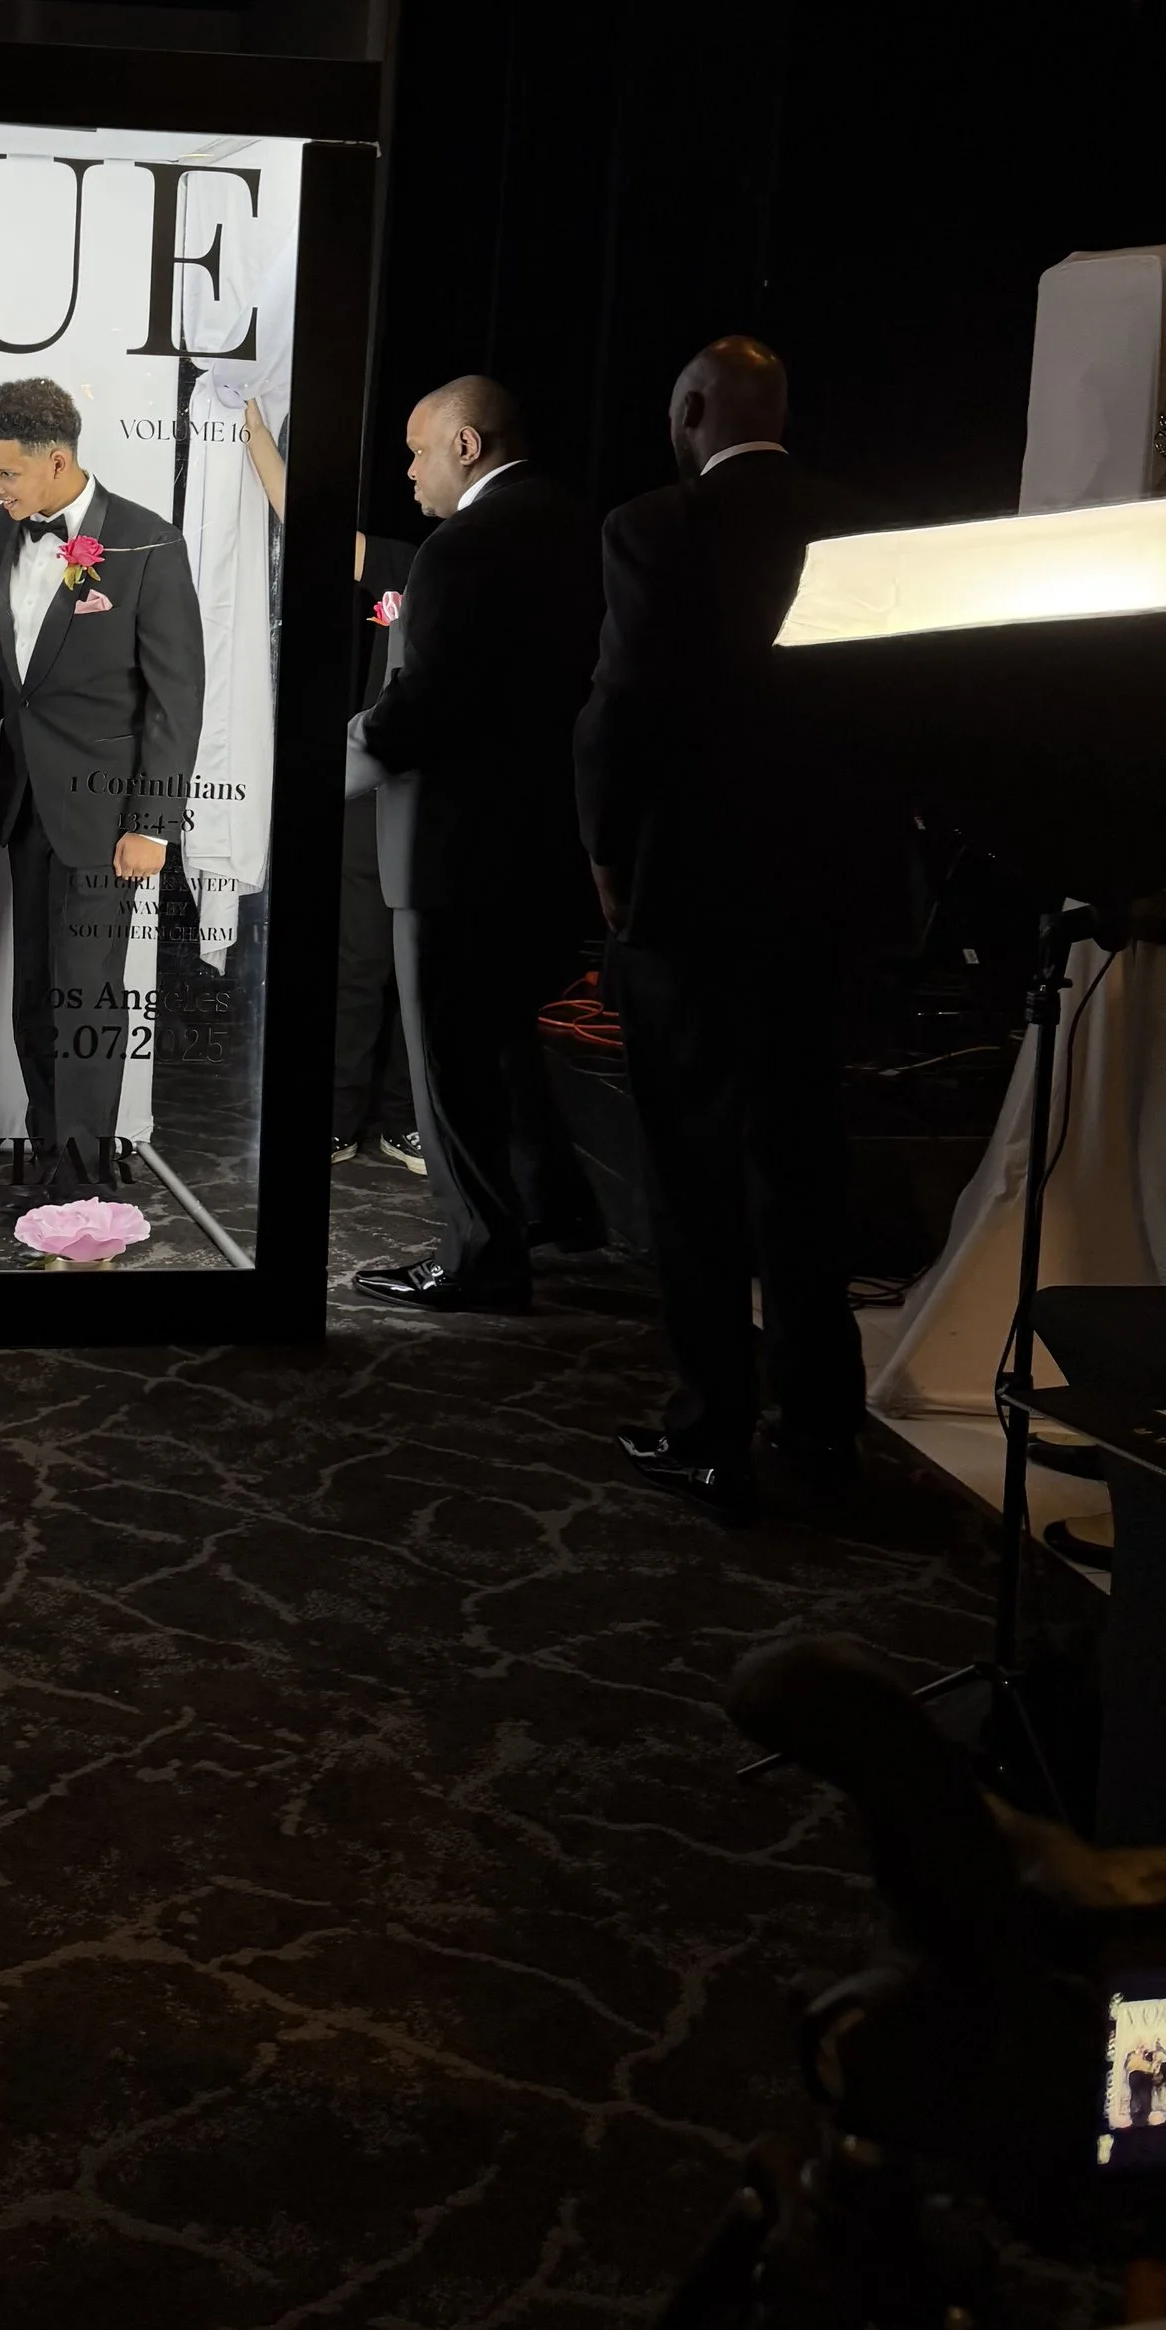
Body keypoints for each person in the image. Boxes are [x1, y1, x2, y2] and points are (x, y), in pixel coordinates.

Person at [575, 334, 872, 1520]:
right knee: (803, 1169)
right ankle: (820, 1431)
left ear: (691, 409)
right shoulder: (861, 521)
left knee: (692, 1178)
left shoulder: (652, 526)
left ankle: (710, 1434)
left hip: (687, 900)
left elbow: (620, 711)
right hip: (823, 905)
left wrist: (605, 857)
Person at [346, 378, 606, 1313]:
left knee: (451, 1061)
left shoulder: (464, 544)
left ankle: (480, 1256)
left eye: (417, 450)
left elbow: (429, 703)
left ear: (466, 444)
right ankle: (556, 1208)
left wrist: (335, 761)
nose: (408, 470)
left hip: (453, 850)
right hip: (545, 839)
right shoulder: (577, 526)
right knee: (502, 1039)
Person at [0, 375, 205, 1199]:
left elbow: (178, 698)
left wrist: (153, 822)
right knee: (36, 997)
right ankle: (52, 1157)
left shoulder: (148, 543)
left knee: (87, 1004)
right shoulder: (6, 537)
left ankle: (80, 1184)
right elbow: (10, 683)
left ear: (58, 460)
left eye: (5, 475)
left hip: (109, 821)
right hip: (27, 808)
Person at [333, 528, 423, 1173]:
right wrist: (251, 430)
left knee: (424, 973)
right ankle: (337, 1117)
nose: (413, 470)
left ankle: (408, 1119)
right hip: (373, 791)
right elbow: (319, 527)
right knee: (357, 963)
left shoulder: (484, 566)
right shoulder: (411, 562)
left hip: (447, 803)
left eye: (422, 454)